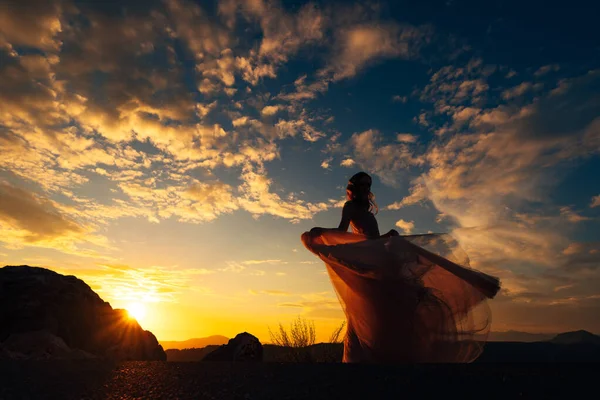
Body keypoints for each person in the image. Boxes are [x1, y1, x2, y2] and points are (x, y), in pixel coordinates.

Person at [301, 172, 501, 363]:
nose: (366, 188)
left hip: (379, 256)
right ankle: (362, 358)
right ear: (354, 186)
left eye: (368, 185)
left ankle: (383, 356)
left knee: (385, 305)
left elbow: (371, 238)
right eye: (362, 184)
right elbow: (342, 231)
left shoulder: (366, 210)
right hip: (370, 259)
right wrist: (322, 232)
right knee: (368, 307)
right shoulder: (350, 206)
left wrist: (387, 236)